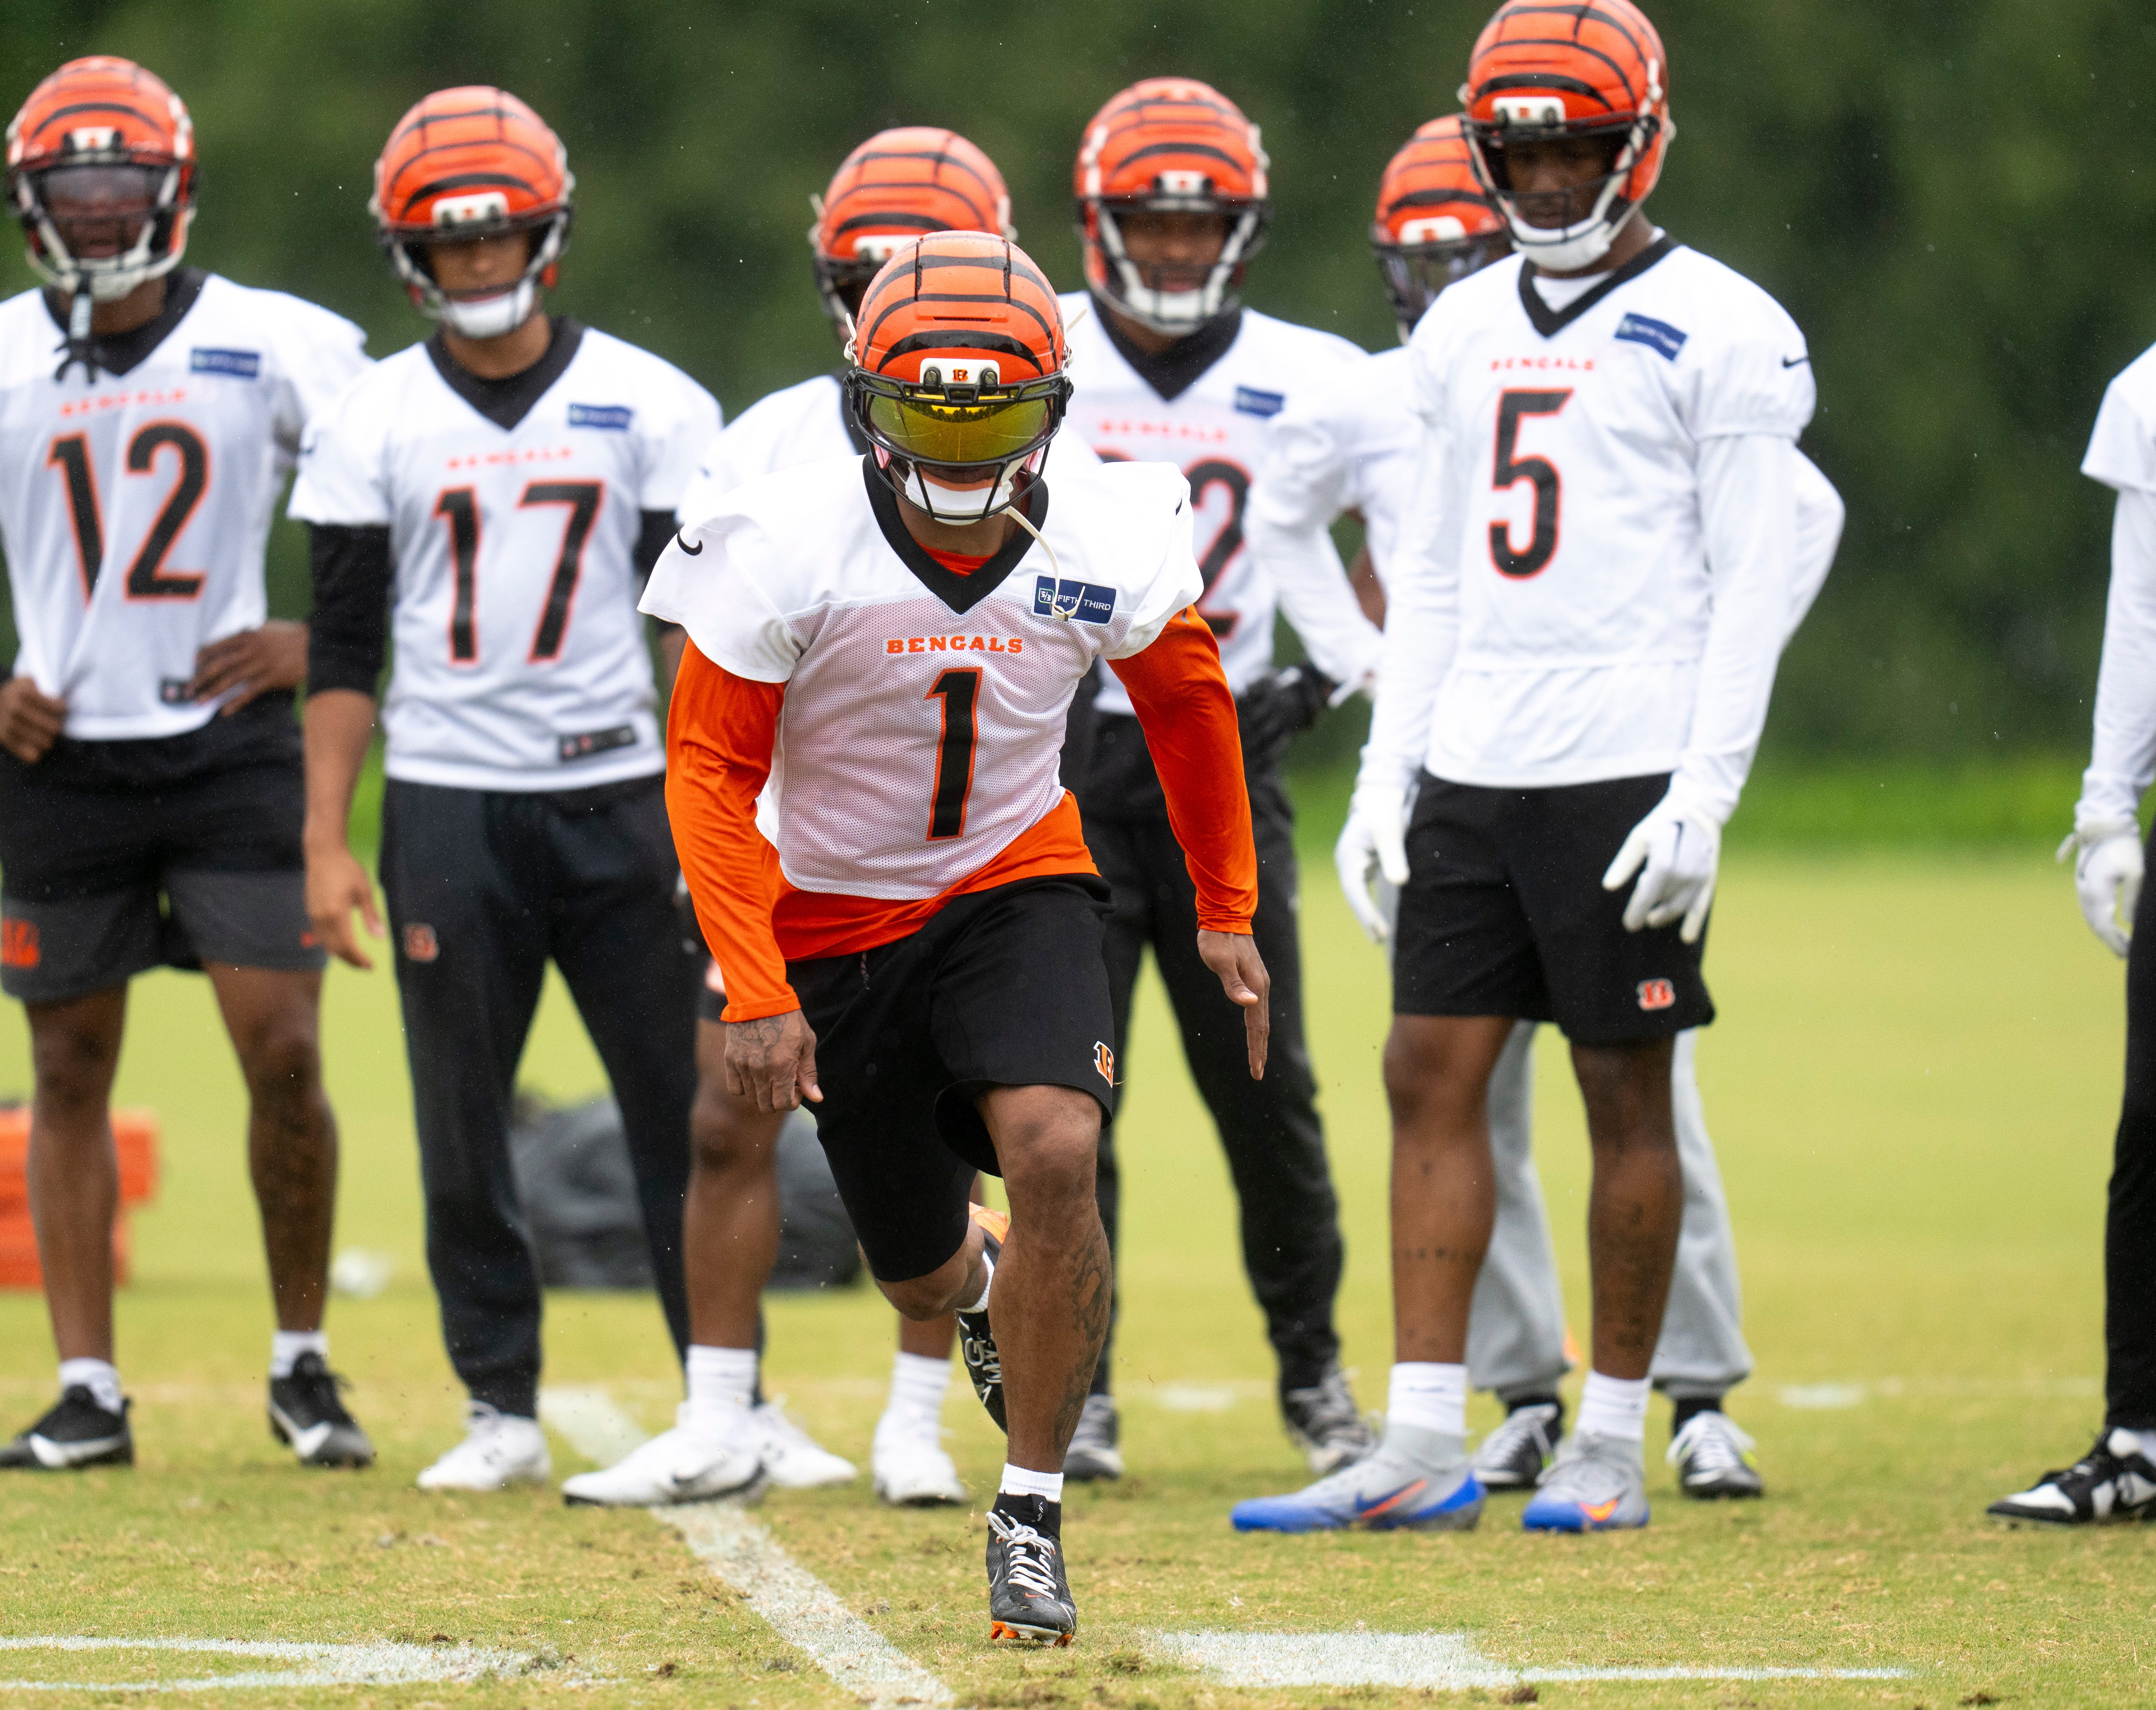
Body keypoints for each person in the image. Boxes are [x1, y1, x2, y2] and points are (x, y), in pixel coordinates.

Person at [1232, 0, 1820, 1535]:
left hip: (1626, 760)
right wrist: (1387, 780)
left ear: (1643, 142)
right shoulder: (1457, 325)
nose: (1548, 176)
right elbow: (1427, 575)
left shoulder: (1724, 323)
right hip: (1474, 763)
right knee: (1421, 1072)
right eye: (1521, 148)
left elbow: (1750, 583)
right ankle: (1425, 1434)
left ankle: (1609, 1438)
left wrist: (1703, 794)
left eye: (1577, 146)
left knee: (1624, 1089)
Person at [645, 232, 1264, 1644]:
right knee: (918, 1272)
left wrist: (1224, 906)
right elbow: (708, 774)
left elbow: (1188, 704)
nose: (960, 450)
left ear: (1052, 411)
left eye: (992, 421)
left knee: (1056, 1144)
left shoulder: (1107, 522)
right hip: (831, 917)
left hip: (1013, 882)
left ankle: (1030, 1513)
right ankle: (980, 1285)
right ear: (867, 403)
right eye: (930, 417)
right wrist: (755, 983)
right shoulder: (784, 536)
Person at [0, 56, 374, 1471]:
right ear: (31, 203)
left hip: (229, 751)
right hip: (67, 759)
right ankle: (88, 1388)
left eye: (117, 186)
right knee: (67, 1063)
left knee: (285, 1052)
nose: (93, 213)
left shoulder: (282, 342)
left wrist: (315, 643)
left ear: (173, 193)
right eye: (69, 191)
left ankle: (303, 1362)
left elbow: (389, 505)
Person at [566, 126, 1055, 1510]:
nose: (886, 295)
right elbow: (707, 646)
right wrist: (721, 833)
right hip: (790, 837)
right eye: (863, 275)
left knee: (941, 1127)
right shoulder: (770, 440)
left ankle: (916, 1422)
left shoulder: (1041, 431)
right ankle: (720, 1411)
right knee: (729, 1116)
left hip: (962, 845)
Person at [289, 86, 722, 1495]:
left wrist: (717, 812)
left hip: (623, 794)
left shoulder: (654, 403)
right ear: (409, 254)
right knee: (461, 1118)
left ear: (547, 236)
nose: (477, 263)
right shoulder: (373, 415)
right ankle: (499, 1404)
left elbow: (701, 638)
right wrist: (324, 838)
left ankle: (725, 1395)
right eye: (450, 243)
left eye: (497, 237)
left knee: (684, 1105)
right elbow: (343, 647)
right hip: (449, 802)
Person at [1056, 77, 1386, 1483]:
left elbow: (1417, 525)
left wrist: (1338, 667)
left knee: (1265, 1089)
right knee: (1067, 1097)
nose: (1178, 248)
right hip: (1060, 763)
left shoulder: (1322, 376)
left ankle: (1313, 1370)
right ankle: (1079, 1384)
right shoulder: (1040, 344)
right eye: (1153, 221)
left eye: (1201, 224)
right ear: (1101, 223)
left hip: (1224, 764)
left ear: (1242, 231)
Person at [1987, 339, 2156, 1524]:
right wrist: (2108, 804)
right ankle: (2139, 1436)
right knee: (2153, 1124)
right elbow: (2143, 605)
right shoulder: (2151, 392)